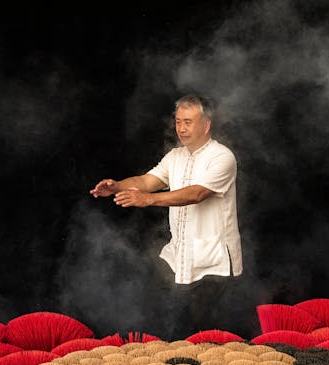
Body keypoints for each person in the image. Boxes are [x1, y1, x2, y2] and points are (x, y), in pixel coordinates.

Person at [90, 94, 242, 340]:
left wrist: (149, 200)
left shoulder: (222, 157)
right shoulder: (175, 157)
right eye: (179, 121)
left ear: (206, 124)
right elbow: (146, 181)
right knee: (154, 305)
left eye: (188, 122)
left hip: (214, 260)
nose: (181, 128)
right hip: (179, 253)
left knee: (203, 330)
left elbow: (198, 193)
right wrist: (116, 186)